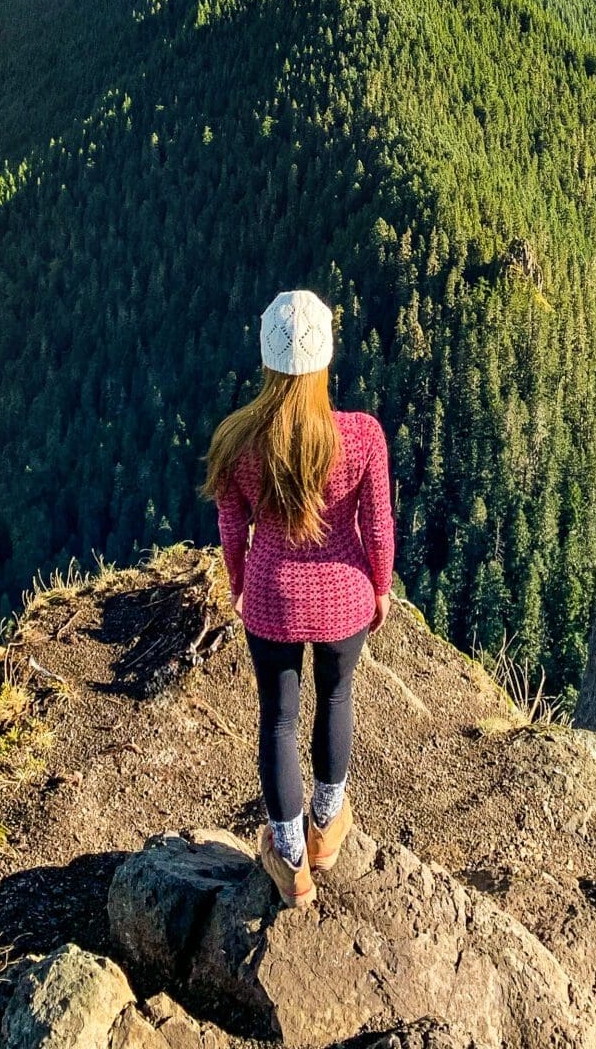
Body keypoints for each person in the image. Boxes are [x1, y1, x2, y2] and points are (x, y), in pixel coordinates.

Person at [205, 289, 394, 910]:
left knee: (277, 719)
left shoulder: (236, 440)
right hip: (345, 595)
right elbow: (380, 525)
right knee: (336, 697)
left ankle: (289, 860)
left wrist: (238, 584)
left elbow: (235, 533)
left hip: (271, 597)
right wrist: (381, 586)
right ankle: (326, 826)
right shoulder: (361, 436)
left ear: (267, 359)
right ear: (326, 358)